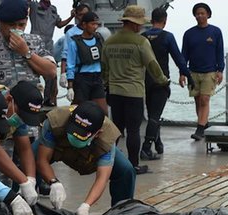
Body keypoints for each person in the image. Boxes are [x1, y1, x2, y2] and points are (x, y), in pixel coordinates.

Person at [35, 101, 135, 215]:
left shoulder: (107, 137)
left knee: (125, 170)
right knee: (27, 160)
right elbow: (42, 159)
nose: (76, 137)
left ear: (98, 133)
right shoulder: (56, 120)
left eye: (81, 136)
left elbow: (102, 178)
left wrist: (86, 206)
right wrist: (54, 182)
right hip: (58, 146)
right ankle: (21, 206)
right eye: (74, 132)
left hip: (90, 154)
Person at [101, 5, 168, 175]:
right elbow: (152, 64)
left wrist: (107, 83)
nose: (141, 27)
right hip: (133, 93)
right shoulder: (140, 42)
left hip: (114, 92)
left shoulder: (109, 42)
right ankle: (133, 165)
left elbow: (104, 68)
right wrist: (162, 80)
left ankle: (109, 162)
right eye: (139, 24)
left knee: (116, 129)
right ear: (133, 23)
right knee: (133, 131)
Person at [0, 0, 56, 89]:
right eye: (11, 25)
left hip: (30, 102)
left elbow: (51, 72)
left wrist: (26, 53)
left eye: (21, 25)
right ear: (0, 22)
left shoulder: (35, 42)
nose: (17, 29)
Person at [140, 8, 192, 159]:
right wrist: (189, 76)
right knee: (155, 115)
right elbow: (179, 59)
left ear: (151, 20)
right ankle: (146, 148)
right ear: (165, 20)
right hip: (161, 81)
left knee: (152, 114)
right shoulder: (168, 37)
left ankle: (158, 143)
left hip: (145, 81)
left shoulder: (143, 37)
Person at [181, 2, 224, 141]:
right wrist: (182, 72)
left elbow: (219, 51)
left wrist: (220, 70)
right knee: (198, 100)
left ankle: (199, 129)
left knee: (205, 99)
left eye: (202, 13)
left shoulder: (215, 32)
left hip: (210, 72)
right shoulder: (188, 34)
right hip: (193, 72)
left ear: (208, 15)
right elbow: (184, 54)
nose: (200, 15)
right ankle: (204, 125)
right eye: (197, 13)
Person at [27, 0, 74, 106]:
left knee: (52, 76)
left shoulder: (53, 9)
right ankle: (33, 101)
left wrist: (71, 17)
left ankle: (49, 101)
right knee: (32, 76)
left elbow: (60, 24)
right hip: (34, 46)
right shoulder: (34, 6)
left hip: (48, 47)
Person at [66, 11, 107, 112]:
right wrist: (70, 87)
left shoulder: (99, 39)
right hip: (82, 79)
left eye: (96, 24)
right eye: (92, 24)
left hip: (97, 78)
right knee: (78, 110)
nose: (95, 27)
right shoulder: (74, 42)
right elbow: (70, 64)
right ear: (84, 24)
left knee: (103, 111)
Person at [59, 2, 90, 91]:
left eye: (85, 14)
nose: (83, 17)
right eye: (80, 15)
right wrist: (63, 74)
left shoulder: (95, 32)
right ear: (76, 16)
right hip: (78, 73)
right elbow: (65, 54)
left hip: (94, 73)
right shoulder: (71, 33)